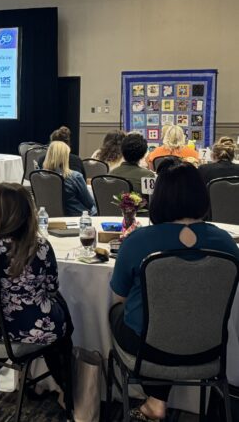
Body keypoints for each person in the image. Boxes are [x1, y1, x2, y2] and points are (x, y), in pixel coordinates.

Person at [110, 162, 239, 421]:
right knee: (175, 319)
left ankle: (152, 399)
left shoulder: (138, 241)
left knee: (120, 312)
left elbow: (120, 297)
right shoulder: (226, 243)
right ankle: (159, 399)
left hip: (147, 350)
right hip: (210, 348)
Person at [0, 183, 73, 401]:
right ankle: (64, 386)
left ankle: (37, 380)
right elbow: (52, 287)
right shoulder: (40, 246)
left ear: (1, 213)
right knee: (66, 320)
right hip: (35, 328)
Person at [43, 141, 96, 216]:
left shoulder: (40, 177)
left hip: (49, 215)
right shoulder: (75, 177)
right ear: (65, 157)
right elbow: (89, 203)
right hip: (76, 215)